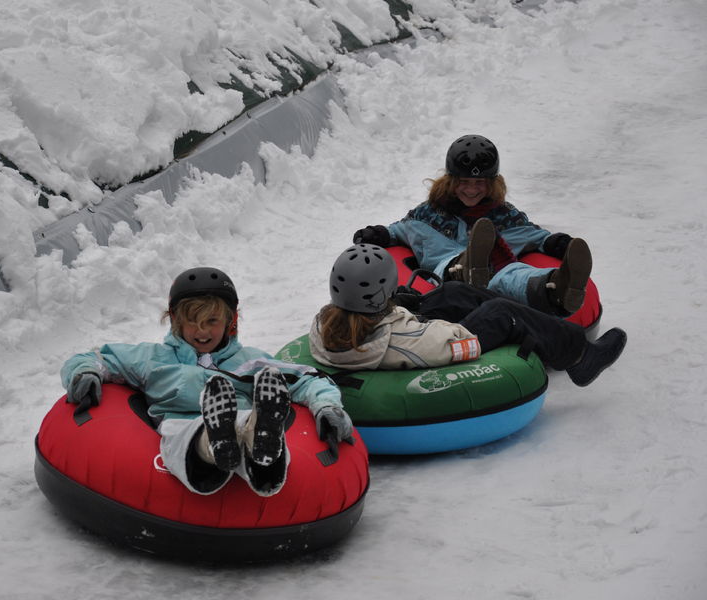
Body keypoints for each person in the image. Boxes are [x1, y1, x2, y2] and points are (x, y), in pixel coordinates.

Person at [60, 266, 353, 498]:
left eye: (212, 321)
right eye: (193, 322)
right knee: (182, 435)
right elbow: (100, 358)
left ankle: (259, 438)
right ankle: (217, 441)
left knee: (244, 420)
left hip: (240, 416)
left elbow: (307, 379)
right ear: (175, 320)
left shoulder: (250, 361)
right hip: (181, 422)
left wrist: (326, 406)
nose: (202, 332)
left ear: (230, 321)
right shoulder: (153, 359)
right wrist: (85, 372)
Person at [309, 244, 627, 386]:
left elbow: (387, 325)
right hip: (441, 343)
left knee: (452, 292)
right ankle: (580, 356)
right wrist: (472, 320)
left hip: (390, 333)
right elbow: (447, 340)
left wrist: (406, 305)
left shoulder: (325, 321)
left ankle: (541, 321)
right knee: (501, 313)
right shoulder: (408, 338)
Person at [353, 134, 593, 316]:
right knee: (469, 268)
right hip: (443, 279)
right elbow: (398, 231)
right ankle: (465, 268)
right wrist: (376, 234)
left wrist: (557, 243)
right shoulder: (429, 214)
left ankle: (554, 287)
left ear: (492, 183)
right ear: (451, 181)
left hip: (497, 272)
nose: (471, 189)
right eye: (464, 181)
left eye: (480, 182)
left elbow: (535, 236)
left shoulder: (504, 216)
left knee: (510, 274)